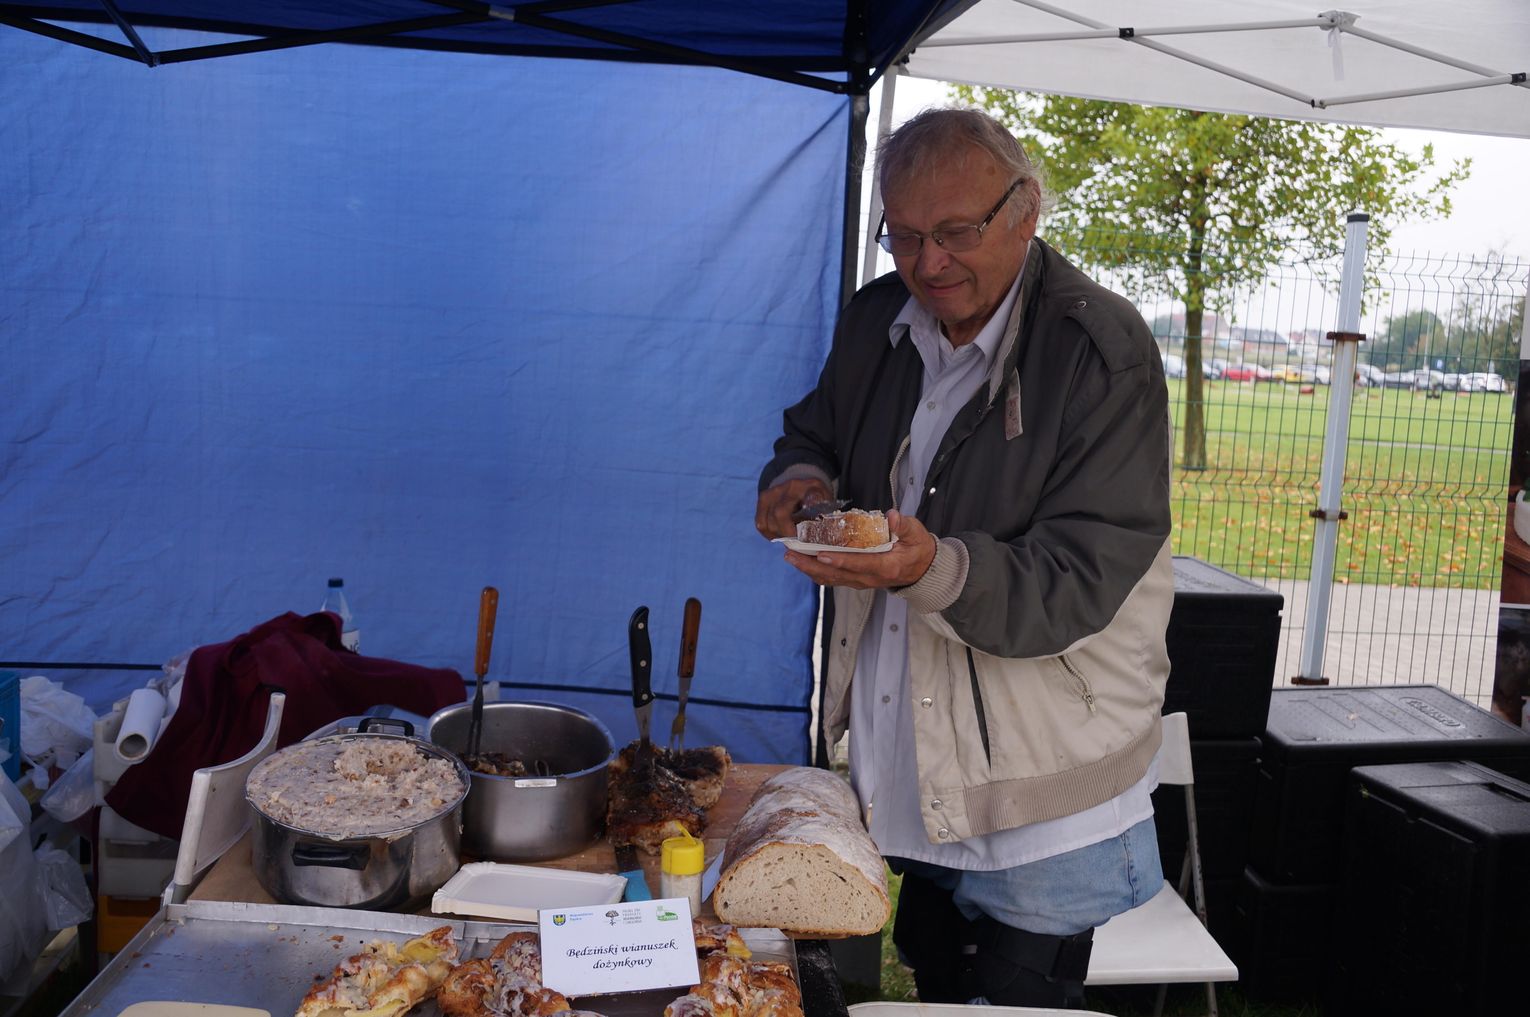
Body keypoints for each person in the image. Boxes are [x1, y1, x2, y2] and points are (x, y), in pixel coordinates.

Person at [754, 107, 1175, 1009]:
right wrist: (798, 479)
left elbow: (1080, 576)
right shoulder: (878, 320)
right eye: (904, 236)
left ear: (1026, 211)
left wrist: (927, 568)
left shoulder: (1099, 353)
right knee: (940, 978)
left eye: (955, 232)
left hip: (1042, 799)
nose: (928, 263)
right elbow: (815, 430)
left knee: (1023, 996)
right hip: (919, 773)